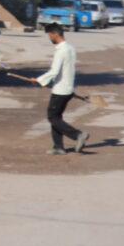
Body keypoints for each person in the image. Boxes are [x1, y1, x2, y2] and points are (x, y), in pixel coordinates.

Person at [24, 24, 88, 156]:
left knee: (52, 117)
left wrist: (38, 80)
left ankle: (78, 135)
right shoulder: (70, 48)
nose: (49, 37)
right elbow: (65, 71)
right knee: (56, 118)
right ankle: (58, 147)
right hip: (67, 88)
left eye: (49, 35)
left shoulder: (61, 51)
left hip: (60, 91)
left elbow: (54, 71)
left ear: (55, 34)